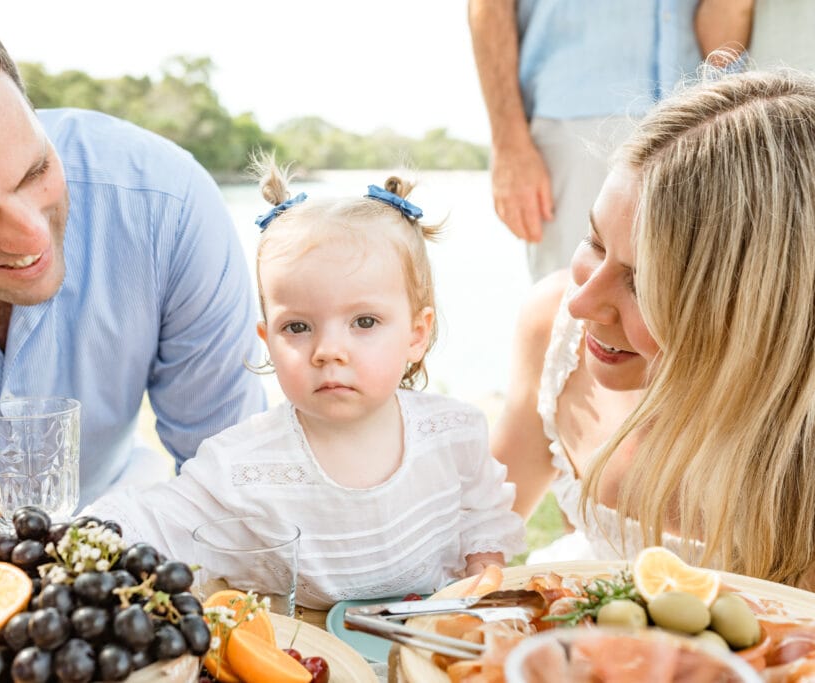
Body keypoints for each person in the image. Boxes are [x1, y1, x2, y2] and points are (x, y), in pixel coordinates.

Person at [0, 0, 265, 515]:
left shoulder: (164, 202)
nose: (31, 236)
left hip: (120, 521)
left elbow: (229, 477)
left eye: (34, 171)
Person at [86, 158, 526, 609]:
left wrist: (481, 576)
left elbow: (482, 515)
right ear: (268, 340)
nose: (327, 350)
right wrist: (75, 543)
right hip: (307, 657)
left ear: (417, 334)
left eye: (364, 321)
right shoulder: (243, 465)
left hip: (430, 647)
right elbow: (153, 522)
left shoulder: (453, 433)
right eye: (297, 327)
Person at [494, 67, 815, 605]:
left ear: (759, 312)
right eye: (594, 242)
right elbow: (467, 542)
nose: (583, 303)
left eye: (644, 284)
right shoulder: (556, 329)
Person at [468, 0, 754, 282]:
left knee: (687, 311)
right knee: (571, 307)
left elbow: (719, 41)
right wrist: (508, 144)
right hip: (574, 124)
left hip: (697, 125)